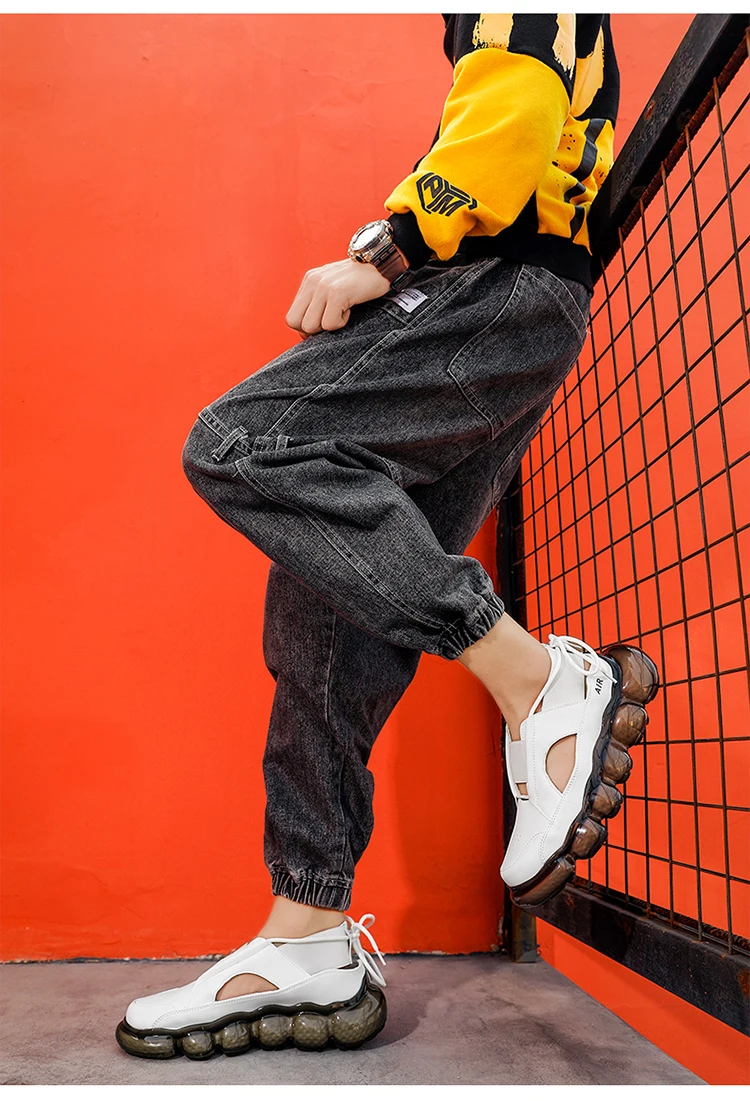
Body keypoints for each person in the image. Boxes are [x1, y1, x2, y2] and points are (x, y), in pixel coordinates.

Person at [115, 12, 659, 1061]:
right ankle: (307, 932)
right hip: (508, 302)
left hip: (491, 288)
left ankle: (537, 681)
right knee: (328, 621)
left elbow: (519, 94)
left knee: (241, 445)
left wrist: (392, 247)